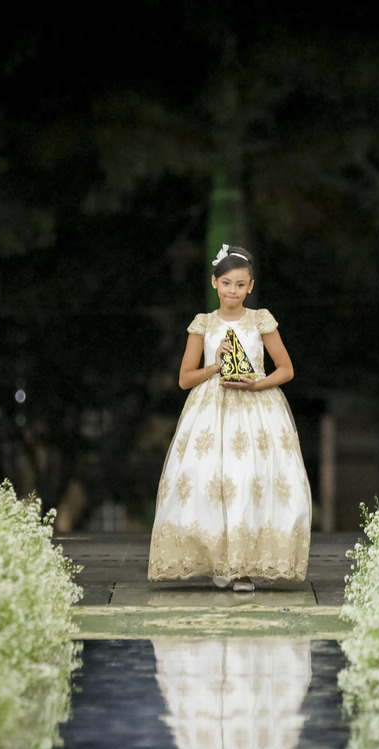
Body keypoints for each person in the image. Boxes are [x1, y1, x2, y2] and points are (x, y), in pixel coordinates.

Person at [147, 244, 311, 592]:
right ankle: (218, 559)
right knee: (208, 478)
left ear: (250, 286)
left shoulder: (261, 320)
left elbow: (286, 369)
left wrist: (257, 384)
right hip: (210, 411)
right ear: (214, 283)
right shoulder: (203, 324)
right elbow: (184, 378)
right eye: (226, 283)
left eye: (239, 284)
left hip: (257, 409)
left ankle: (242, 568)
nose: (232, 291)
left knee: (248, 479)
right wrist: (216, 365)